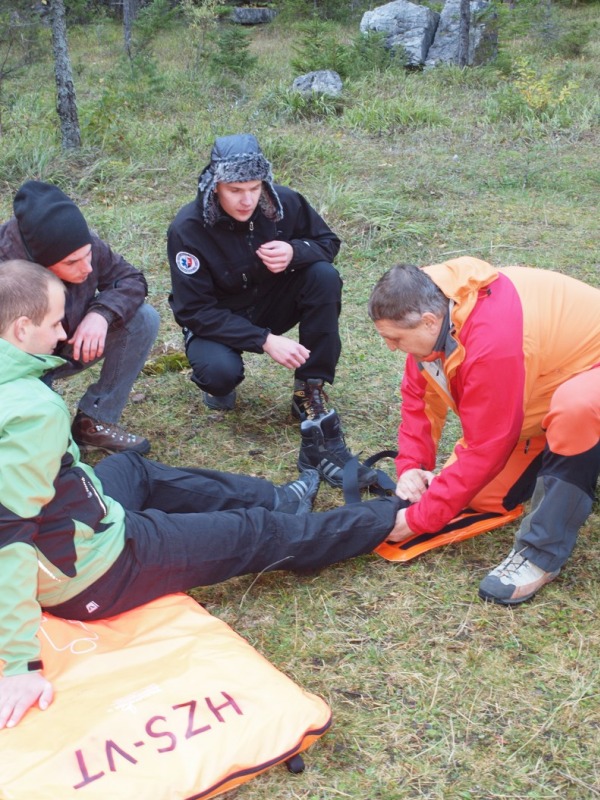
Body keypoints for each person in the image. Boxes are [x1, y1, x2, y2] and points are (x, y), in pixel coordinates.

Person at [0, 259, 406, 729]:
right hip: (96, 569)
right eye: (55, 323)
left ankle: (282, 498)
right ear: (21, 328)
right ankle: (389, 519)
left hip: (82, 515)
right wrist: (19, 665)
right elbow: (9, 535)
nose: (63, 333)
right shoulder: (31, 411)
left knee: (131, 468)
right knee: (255, 534)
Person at [368, 257, 600, 605]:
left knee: (577, 408)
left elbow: (486, 447)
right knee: (481, 497)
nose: (390, 346)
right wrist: (412, 465)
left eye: (395, 338)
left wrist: (418, 520)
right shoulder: (432, 305)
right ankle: (570, 457)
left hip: (584, 379)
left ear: (429, 322)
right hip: (553, 375)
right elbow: (418, 398)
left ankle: (541, 554)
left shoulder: (492, 340)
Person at [167, 133, 377, 489]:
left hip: (271, 302)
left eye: (254, 187)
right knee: (219, 372)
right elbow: (194, 310)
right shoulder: (188, 228)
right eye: (235, 190)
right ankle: (218, 385)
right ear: (215, 185)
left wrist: (296, 252)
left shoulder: (285, 202)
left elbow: (328, 243)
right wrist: (264, 340)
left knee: (323, 277)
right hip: (218, 318)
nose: (247, 199)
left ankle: (309, 389)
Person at [0, 180, 160, 454]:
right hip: (14, 368)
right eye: (72, 263)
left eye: (87, 256)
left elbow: (131, 279)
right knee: (47, 450)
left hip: (67, 346)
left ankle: (94, 421)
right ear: (40, 262)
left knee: (142, 319)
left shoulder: (80, 242)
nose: (86, 268)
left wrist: (101, 314)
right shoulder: (6, 271)